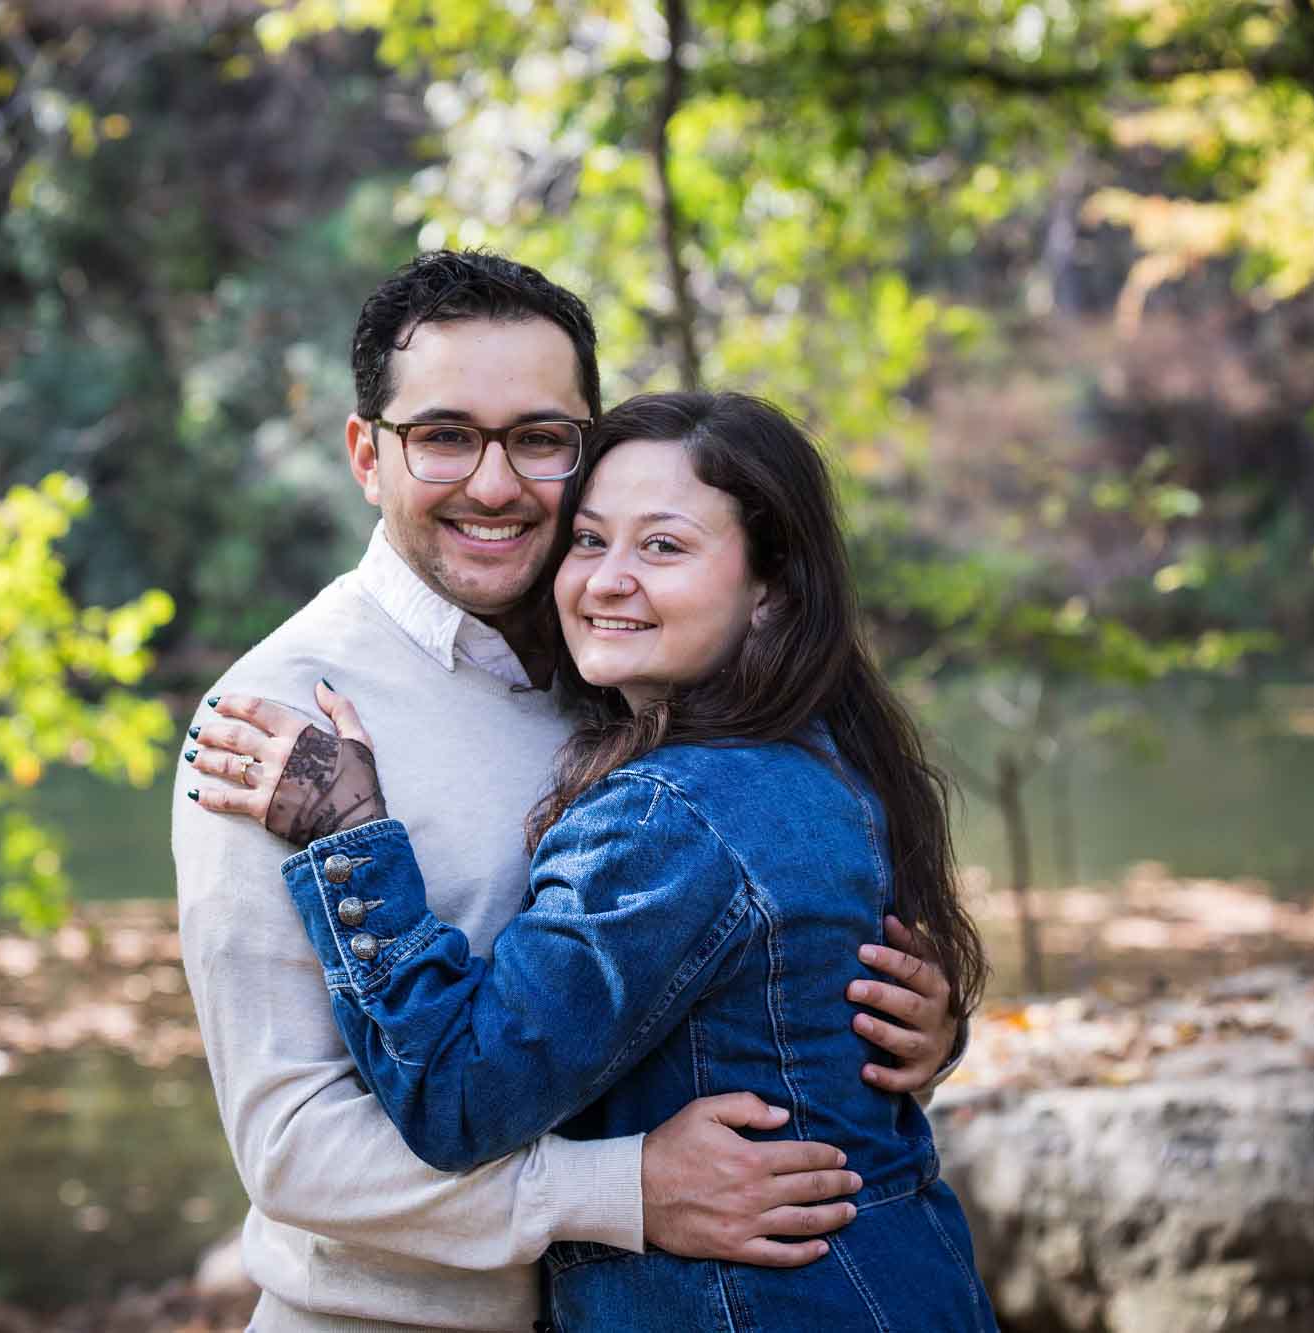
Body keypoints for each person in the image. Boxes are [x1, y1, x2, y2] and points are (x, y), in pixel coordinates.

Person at [171, 253, 965, 1333]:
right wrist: (620, 1190)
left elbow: (753, 971)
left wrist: (900, 1033)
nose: (494, 484)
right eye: (444, 435)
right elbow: (291, 1150)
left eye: (539, 439)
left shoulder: (629, 667)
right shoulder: (279, 724)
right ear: (367, 454)